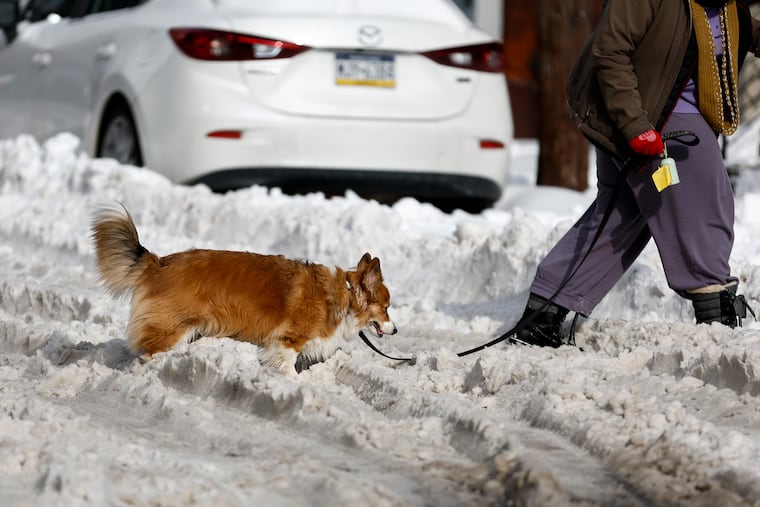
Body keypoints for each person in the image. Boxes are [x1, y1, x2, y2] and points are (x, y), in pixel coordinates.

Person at [515, 0, 760, 347]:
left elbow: (748, 34)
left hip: (658, 114)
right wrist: (636, 126)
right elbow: (610, 51)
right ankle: (715, 315)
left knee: (622, 216)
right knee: (708, 203)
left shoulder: (725, 6)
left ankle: (543, 314)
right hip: (643, 114)